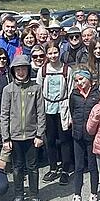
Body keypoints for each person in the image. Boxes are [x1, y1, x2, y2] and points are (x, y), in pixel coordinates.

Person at [1, 55, 46, 201]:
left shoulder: (36, 88)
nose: (21, 72)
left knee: (33, 166)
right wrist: (5, 137)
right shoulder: (8, 90)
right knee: (17, 167)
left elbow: (41, 112)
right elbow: (4, 114)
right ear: (13, 71)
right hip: (14, 136)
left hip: (32, 135)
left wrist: (40, 134)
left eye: (24, 69)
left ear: (28, 69)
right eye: (18, 69)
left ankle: (34, 195)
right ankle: (19, 195)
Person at [65, 68, 100, 201]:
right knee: (79, 167)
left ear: (89, 79)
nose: (79, 82)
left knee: (93, 167)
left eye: (82, 79)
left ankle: (93, 196)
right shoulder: (74, 95)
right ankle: (77, 196)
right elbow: (72, 110)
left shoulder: (97, 94)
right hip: (77, 134)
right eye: (77, 80)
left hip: (92, 135)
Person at [36, 42, 73, 185]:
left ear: (59, 52)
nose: (53, 56)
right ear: (46, 54)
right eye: (50, 53)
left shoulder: (66, 70)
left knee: (64, 139)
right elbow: (39, 91)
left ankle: (65, 169)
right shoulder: (43, 70)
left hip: (62, 107)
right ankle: (52, 167)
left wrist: (69, 111)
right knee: (49, 139)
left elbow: (70, 90)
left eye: (55, 52)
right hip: (47, 108)